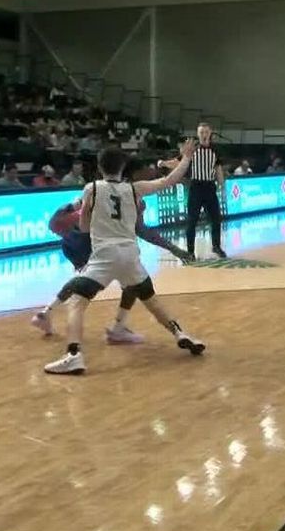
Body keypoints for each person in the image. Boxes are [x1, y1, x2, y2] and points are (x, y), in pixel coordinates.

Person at [37, 142, 207, 375]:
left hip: (104, 256)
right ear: (123, 166)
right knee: (151, 300)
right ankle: (180, 333)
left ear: (99, 167)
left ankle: (74, 354)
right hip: (130, 255)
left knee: (78, 301)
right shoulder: (134, 189)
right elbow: (169, 181)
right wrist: (186, 158)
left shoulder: (91, 189)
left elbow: (84, 226)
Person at [185, 122, 226, 259]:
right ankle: (190, 251)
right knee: (192, 220)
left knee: (216, 219)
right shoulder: (193, 149)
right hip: (196, 187)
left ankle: (216, 246)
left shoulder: (215, 150)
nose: (204, 135)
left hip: (209, 187)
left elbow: (218, 169)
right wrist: (164, 163)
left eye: (206, 132)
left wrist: (222, 186)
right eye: (201, 132)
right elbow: (180, 162)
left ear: (210, 133)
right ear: (198, 134)